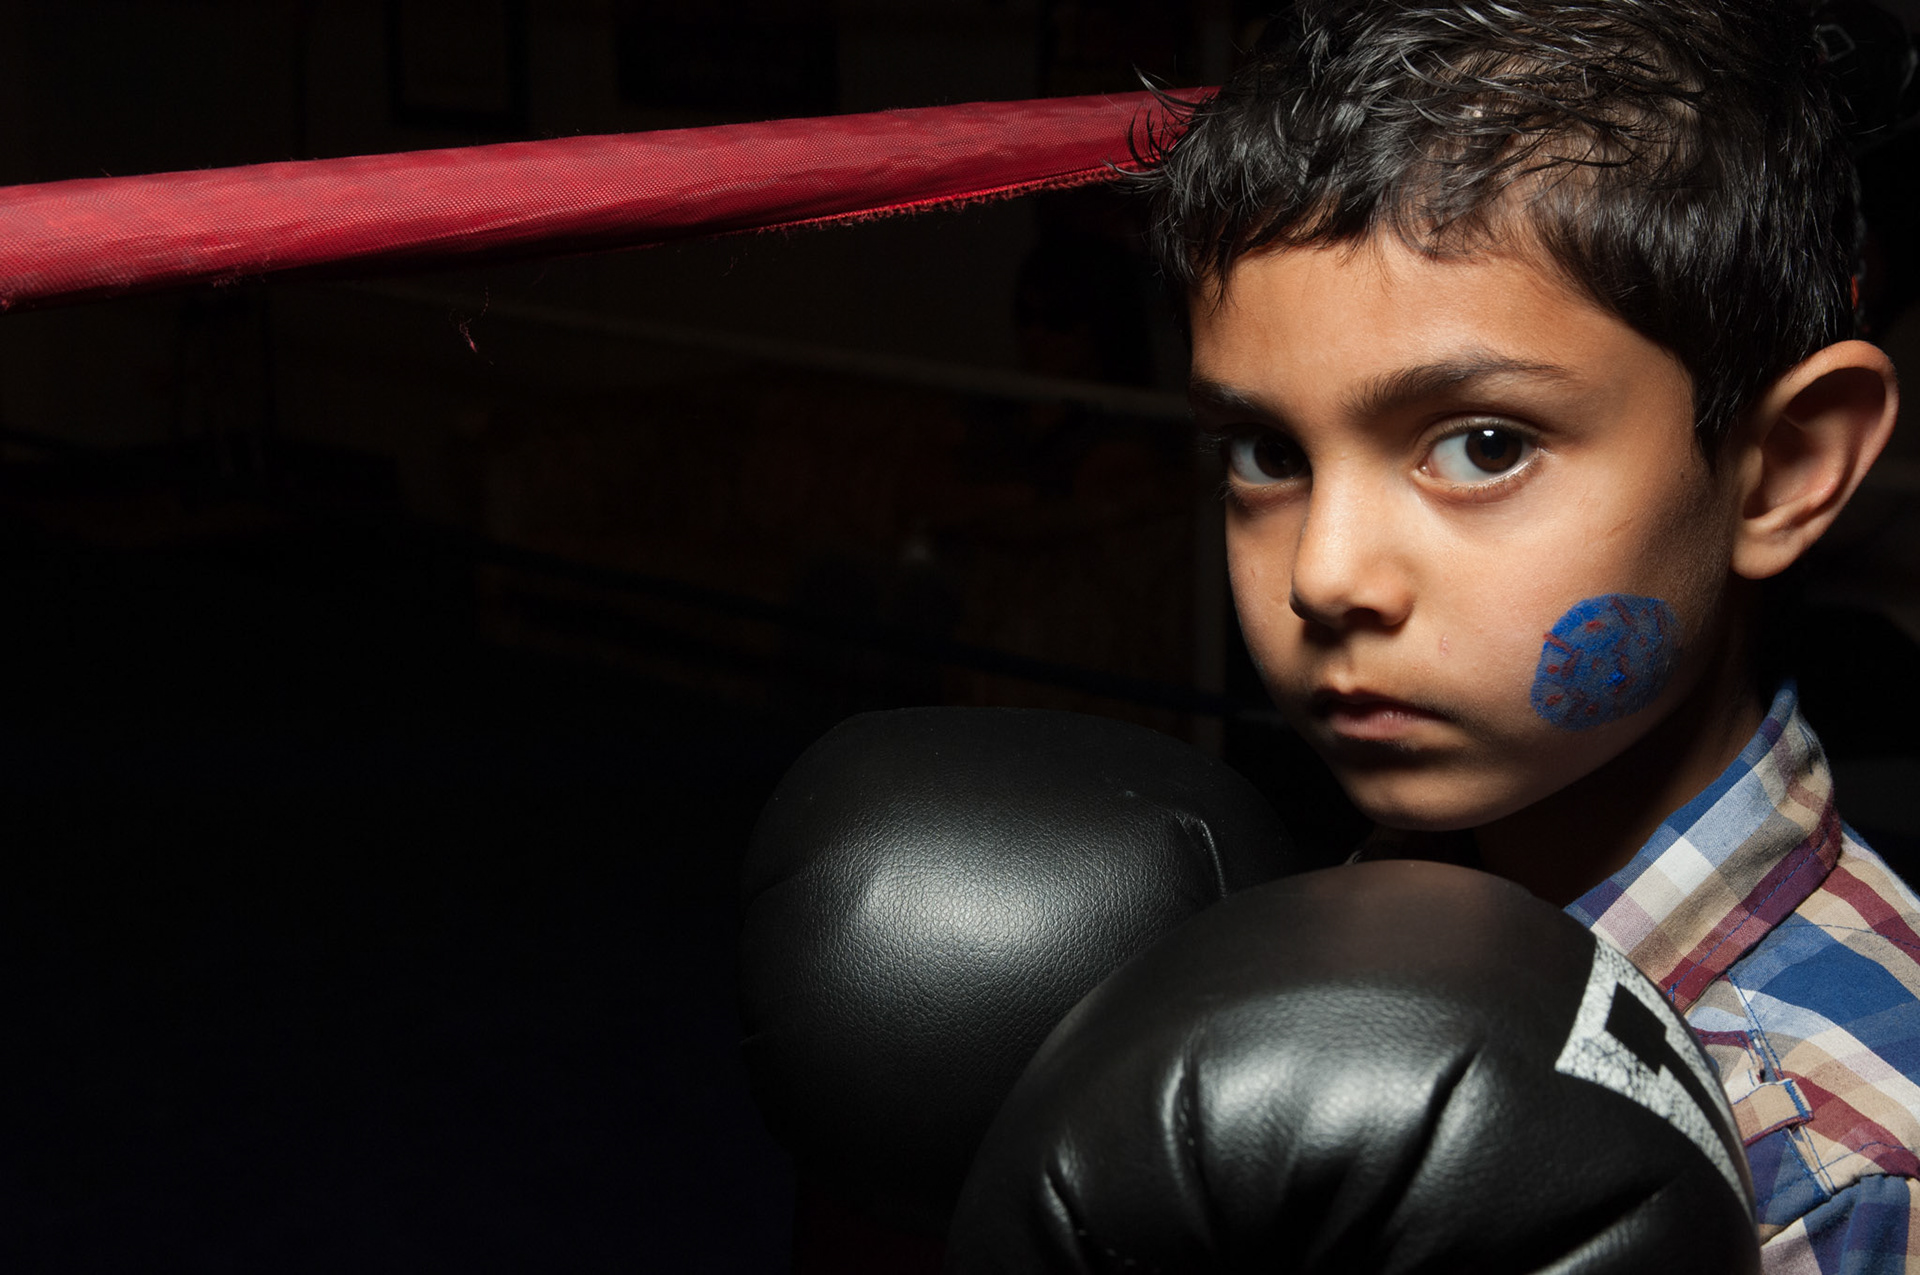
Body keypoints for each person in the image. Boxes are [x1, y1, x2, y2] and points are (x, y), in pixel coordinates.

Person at [1136, 0, 1915, 1266]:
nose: (1325, 579)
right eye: (1269, 453)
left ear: (1780, 470)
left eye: (1484, 445)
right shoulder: (1359, 900)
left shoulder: (1841, 1169)